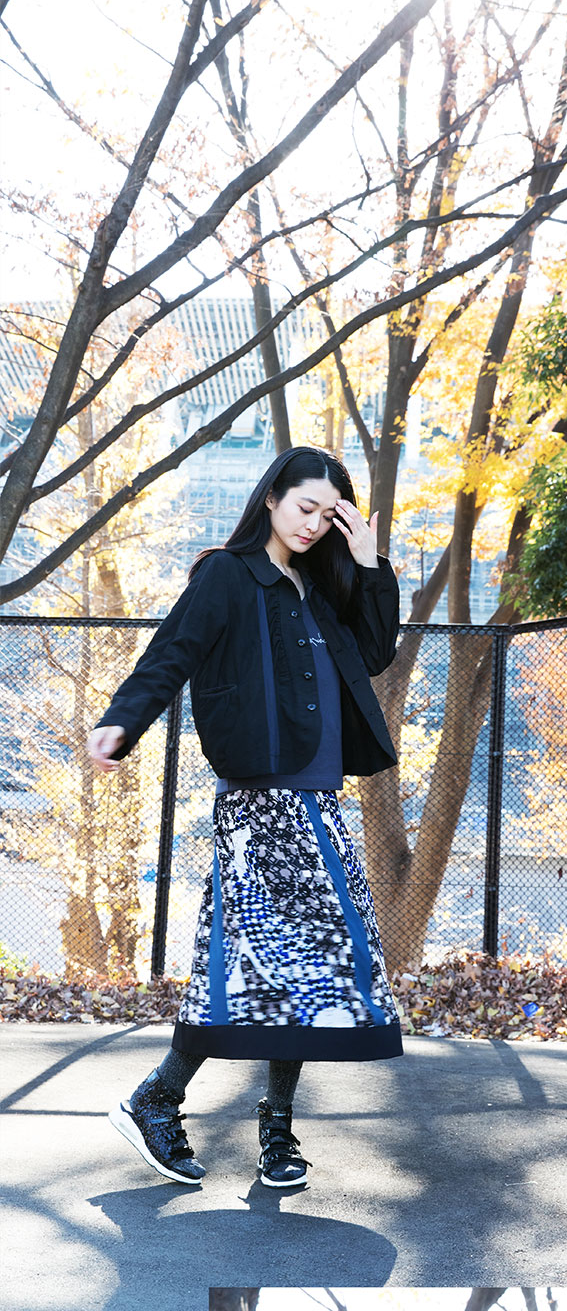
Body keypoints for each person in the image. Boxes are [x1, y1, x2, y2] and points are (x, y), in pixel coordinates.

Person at [86, 445, 403, 1194]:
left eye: (328, 515)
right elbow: (172, 652)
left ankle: (273, 1126)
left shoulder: (320, 588)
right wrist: (123, 721)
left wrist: (369, 564)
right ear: (270, 498)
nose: (313, 524)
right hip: (259, 806)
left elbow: (373, 654)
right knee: (253, 967)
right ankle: (158, 1098)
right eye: (304, 507)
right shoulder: (228, 576)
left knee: (309, 972)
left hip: (316, 801)